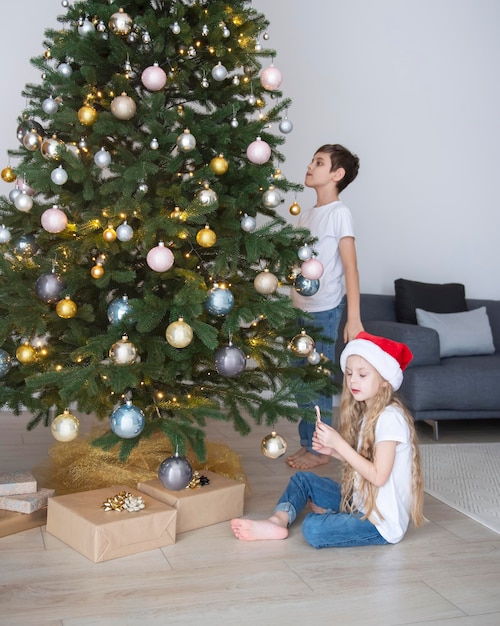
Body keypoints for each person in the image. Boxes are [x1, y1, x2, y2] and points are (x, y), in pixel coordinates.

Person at [231, 332, 425, 548]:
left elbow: (378, 477)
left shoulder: (391, 418)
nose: (353, 380)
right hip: (360, 502)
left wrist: (339, 443)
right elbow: (363, 463)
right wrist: (333, 451)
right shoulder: (367, 411)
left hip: (380, 523)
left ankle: (332, 513)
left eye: (362, 375)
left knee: (312, 528)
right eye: (349, 374)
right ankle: (277, 521)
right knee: (302, 480)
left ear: (384, 382)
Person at [287, 144, 364, 470]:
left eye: (319, 162)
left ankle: (321, 449)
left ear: (337, 174)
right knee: (297, 379)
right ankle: (308, 442)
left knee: (316, 381)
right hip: (298, 307)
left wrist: (354, 318)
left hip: (324, 309)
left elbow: (350, 267)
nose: (310, 166)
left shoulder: (339, 213)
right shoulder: (306, 215)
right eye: (312, 160)